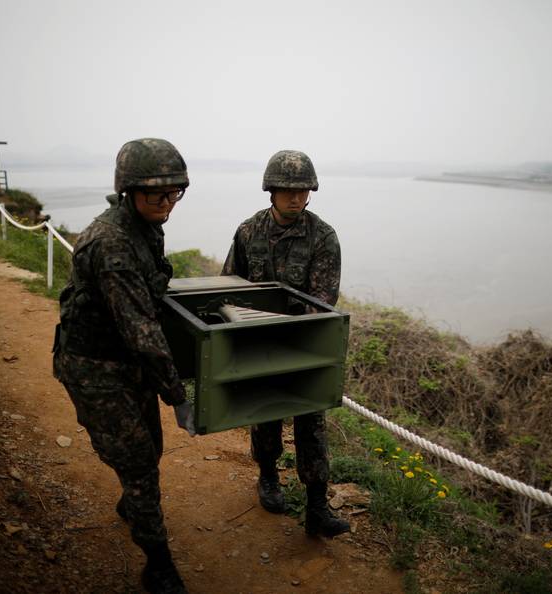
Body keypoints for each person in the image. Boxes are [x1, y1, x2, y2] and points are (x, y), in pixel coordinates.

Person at [53, 138, 194, 594]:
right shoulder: (110, 243)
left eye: (176, 192)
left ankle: (131, 501)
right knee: (139, 465)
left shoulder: (145, 224)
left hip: (127, 362)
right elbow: (142, 332)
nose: (168, 203)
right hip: (95, 366)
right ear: (129, 191)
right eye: (158, 194)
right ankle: (158, 564)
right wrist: (178, 395)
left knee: (148, 449)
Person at [222, 150, 350, 538]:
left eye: (303, 190)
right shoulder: (248, 231)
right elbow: (229, 284)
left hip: (303, 349)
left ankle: (316, 506)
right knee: (265, 417)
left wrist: (295, 344)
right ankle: (267, 478)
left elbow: (323, 298)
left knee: (311, 425)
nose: (296, 198)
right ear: (272, 190)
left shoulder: (322, 237)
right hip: (258, 343)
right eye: (287, 190)